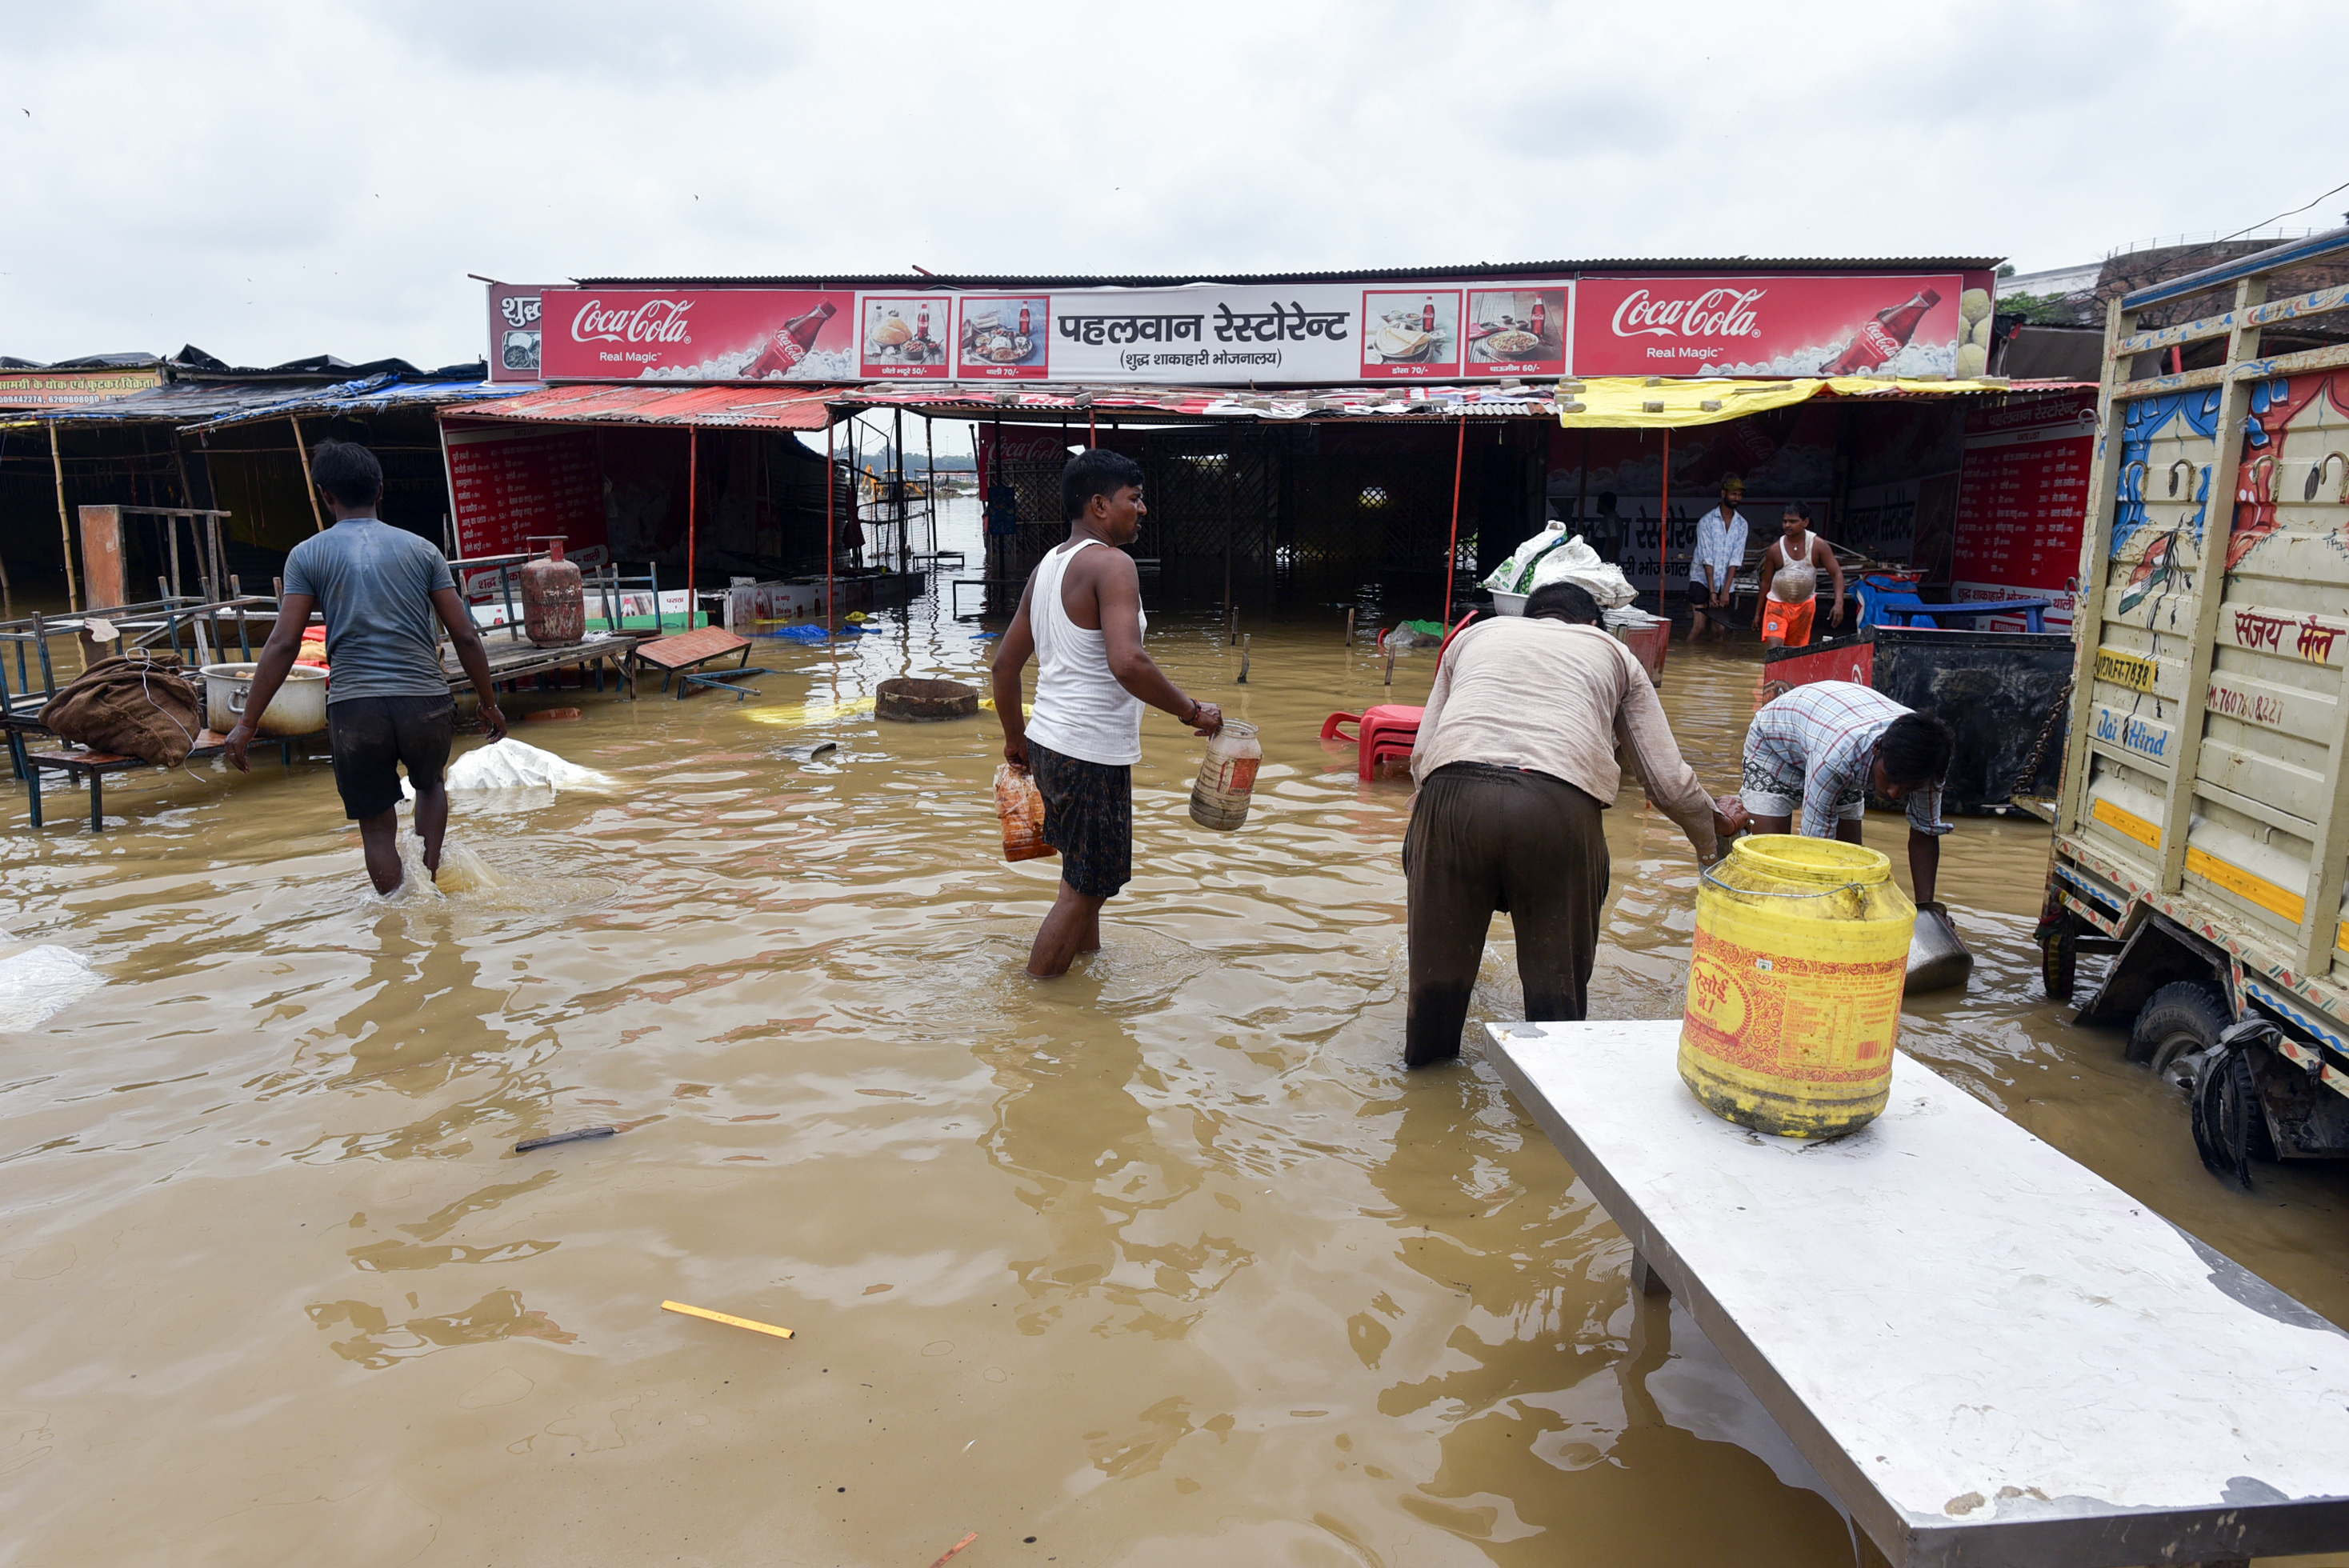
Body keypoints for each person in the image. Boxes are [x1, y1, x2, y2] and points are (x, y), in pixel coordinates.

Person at [1403, 581, 1739, 1067]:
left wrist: (1428, 835)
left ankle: (1425, 1110)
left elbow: (1421, 755)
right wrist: (1711, 845)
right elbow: (1666, 782)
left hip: (1452, 795)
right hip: (1556, 807)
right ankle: (1546, 1125)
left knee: (1435, 992)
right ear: (1593, 625)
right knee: (1555, 998)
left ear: (1529, 616)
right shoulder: (1613, 652)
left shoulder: (1475, 636)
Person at [224, 442, 507, 894]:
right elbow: (466, 635)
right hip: (425, 703)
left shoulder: (306, 555)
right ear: (381, 490)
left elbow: (283, 643)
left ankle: (396, 914)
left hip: (355, 710)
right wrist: (489, 703)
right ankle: (430, 885)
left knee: (377, 827)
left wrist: (247, 722)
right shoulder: (423, 551)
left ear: (325, 495)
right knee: (431, 786)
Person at [992, 449, 1223, 978]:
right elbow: (1128, 662)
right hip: (1088, 752)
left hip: (1050, 743)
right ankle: (1039, 1006)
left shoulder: (1047, 567)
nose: (1142, 510)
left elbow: (1005, 668)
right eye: (1133, 499)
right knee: (1086, 887)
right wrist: (1191, 712)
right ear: (1100, 505)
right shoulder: (1112, 563)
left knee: (1082, 877)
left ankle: (1086, 983)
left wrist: (1016, 741)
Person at [1740, 680, 1953, 905]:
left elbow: (1925, 831)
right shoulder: (1837, 758)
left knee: (1850, 868)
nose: (1892, 793)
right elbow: (1815, 846)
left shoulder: (1929, 761)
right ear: (1877, 749)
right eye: (1889, 780)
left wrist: (1927, 910)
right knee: (1770, 864)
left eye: (1907, 788)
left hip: (1833, 732)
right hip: (1776, 743)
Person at [1753, 502, 1844, 648]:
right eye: (1785, 521)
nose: (1787, 525)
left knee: (1796, 653)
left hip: (1804, 607)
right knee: (1774, 650)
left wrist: (1839, 603)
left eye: (1793, 521)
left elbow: (1836, 574)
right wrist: (1758, 613)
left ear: (1805, 522)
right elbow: (1766, 582)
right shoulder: (1775, 550)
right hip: (1777, 606)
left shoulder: (1819, 546)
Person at [1687, 476, 1749, 642]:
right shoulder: (1706, 522)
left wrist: (1726, 591)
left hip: (1725, 582)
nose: (1737, 498)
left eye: (1739, 495)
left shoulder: (1742, 524)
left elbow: (1736, 559)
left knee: (1719, 631)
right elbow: (1707, 558)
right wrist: (1713, 591)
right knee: (1699, 627)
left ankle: (1714, 664)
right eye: (1733, 494)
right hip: (1702, 579)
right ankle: (1689, 657)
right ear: (1723, 494)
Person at [1585, 490, 1625, 565]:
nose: (1597, 505)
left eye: (1598, 503)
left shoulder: (1611, 520)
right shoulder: (1607, 519)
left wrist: (1610, 567)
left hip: (1606, 565)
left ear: (1603, 505)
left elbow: (1614, 543)